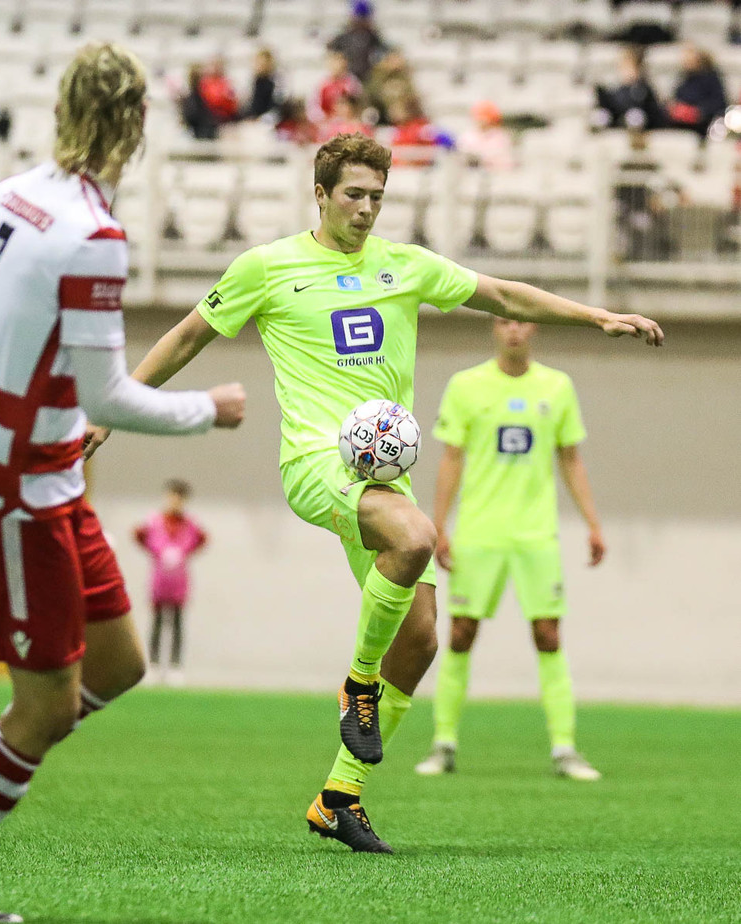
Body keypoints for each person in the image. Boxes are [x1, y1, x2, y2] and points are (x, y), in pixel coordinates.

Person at [84, 132, 663, 854]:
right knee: (417, 538)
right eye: (354, 195)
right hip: (316, 462)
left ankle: (339, 797)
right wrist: (113, 408)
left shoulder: (405, 265)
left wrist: (596, 315)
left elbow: (502, 293)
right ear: (320, 194)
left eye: (377, 197)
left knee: (419, 639)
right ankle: (358, 685)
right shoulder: (268, 267)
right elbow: (185, 337)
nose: (366, 209)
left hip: (386, 478)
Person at [0, 42, 245, 922]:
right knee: (44, 710)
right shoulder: (94, 238)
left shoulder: (9, 195)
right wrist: (208, 408)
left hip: (45, 480)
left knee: (119, 664)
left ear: (62, 109)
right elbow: (106, 396)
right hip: (14, 496)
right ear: (135, 125)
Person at [414, 318, 605, 781]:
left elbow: (570, 459)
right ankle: (443, 744)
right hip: (480, 532)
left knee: (548, 636)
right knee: (461, 634)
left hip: (536, 534)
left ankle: (564, 748)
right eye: (504, 320)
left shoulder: (557, 386)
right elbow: (451, 458)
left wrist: (593, 524)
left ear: (534, 328)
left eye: (521, 321)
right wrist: (439, 525)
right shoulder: (466, 385)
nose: (513, 330)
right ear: (494, 327)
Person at [133, 479, 207, 684]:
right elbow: (139, 535)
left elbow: (202, 539)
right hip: (159, 579)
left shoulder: (190, 524)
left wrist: (184, 552)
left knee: (177, 623)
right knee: (157, 623)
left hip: (179, 580)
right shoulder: (155, 521)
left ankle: (175, 666)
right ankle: (154, 664)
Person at [593, 45, 665, 132]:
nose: (625, 72)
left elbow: (652, 112)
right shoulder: (618, 90)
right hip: (621, 124)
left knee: (635, 116)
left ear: (638, 69)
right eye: (623, 68)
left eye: (629, 68)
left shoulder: (644, 89)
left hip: (645, 127)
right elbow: (613, 108)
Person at [668, 43, 728, 137]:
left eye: (689, 56)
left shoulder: (711, 78)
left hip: (704, 125)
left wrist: (698, 112)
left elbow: (719, 103)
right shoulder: (684, 78)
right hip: (681, 124)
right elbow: (677, 98)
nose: (685, 60)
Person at [327, 0, 389, 83]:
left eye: (364, 19)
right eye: (359, 18)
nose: (361, 21)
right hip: (348, 78)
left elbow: (383, 51)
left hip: (367, 77)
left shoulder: (372, 35)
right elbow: (332, 49)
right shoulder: (345, 35)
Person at [457, 101, 515, 171]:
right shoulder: (468, 136)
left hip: (494, 173)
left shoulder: (501, 137)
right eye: (479, 116)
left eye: (484, 116)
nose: (480, 120)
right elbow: (461, 154)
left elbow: (505, 162)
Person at [244, 48, 281, 121]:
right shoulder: (256, 81)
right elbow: (251, 106)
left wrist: (262, 119)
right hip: (254, 119)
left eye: (263, 63)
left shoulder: (276, 82)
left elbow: (277, 108)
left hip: (270, 119)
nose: (260, 66)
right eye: (259, 63)